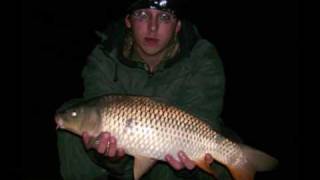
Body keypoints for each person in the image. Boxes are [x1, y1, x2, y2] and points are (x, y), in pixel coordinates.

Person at [57, 0, 232, 179]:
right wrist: (112, 159)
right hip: (126, 159)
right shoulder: (104, 57)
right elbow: (96, 106)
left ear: (177, 26)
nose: (152, 27)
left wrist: (193, 164)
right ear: (128, 21)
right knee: (72, 134)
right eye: (142, 15)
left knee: (223, 164)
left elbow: (204, 118)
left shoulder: (201, 58)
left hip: (179, 152)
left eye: (164, 17)